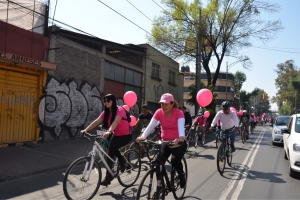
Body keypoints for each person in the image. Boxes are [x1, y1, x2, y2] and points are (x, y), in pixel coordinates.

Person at [80, 94, 132, 186]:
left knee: (112, 147)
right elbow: (96, 121)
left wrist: (109, 131)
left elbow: (116, 122)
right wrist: (85, 130)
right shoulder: (106, 112)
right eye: (105, 101)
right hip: (116, 134)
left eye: (108, 101)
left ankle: (122, 161)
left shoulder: (119, 110)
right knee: (109, 154)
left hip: (126, 136)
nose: (106, 102)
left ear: (113, 101)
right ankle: (108, 178)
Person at [136, 93, 187, 188]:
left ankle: (181, 175)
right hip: (166, 143)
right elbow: (151, 125)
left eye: (166, 104)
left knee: (175, 160)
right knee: (157, 163)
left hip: (178, 143)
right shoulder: (159, 112)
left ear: (172, 104)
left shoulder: (178, 113)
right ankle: (161, 186)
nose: (163, 106)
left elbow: (181, 126)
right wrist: (143, 136)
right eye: (162, 104)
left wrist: (181, 137)